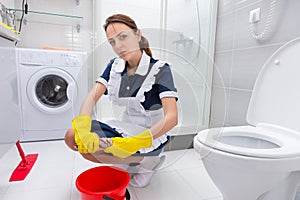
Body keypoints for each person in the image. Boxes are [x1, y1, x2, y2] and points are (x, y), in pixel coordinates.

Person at [64, 14, 178, 188]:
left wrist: (135, 143)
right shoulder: (115, 66)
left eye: (123, 37)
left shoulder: (160, 69)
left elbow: (172, 117)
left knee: (101, 149)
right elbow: (92, 96)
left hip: (150, 134)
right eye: (112, 42)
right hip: (125, 126)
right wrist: (83, 126)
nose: (118, 46)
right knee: (73, 137)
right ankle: (128, 159)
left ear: (137, 35)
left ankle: (149, 162)